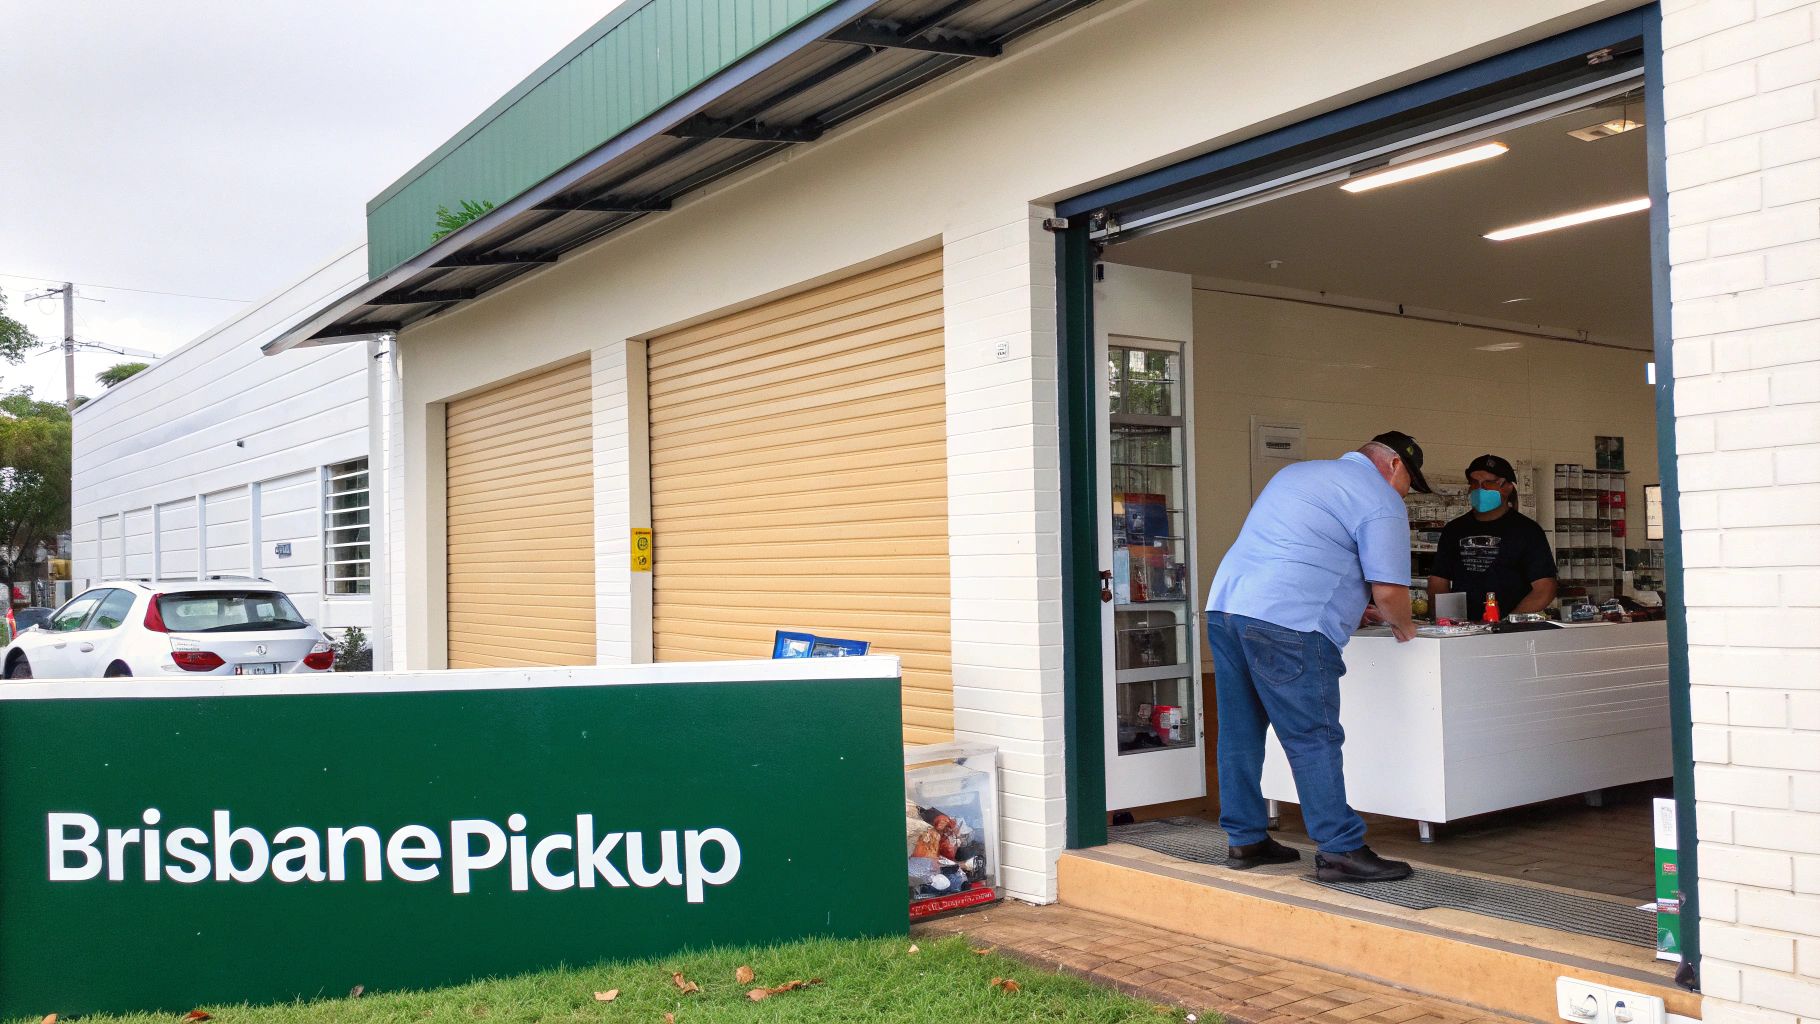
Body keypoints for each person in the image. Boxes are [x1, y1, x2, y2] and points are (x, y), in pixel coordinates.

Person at [1204, 431, 1427, 883]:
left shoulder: (1296, 473)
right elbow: (1389, 591)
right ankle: (1340, 849)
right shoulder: (1381, 499)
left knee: (1240, 734)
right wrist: (1404, 625)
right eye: (1409, 483)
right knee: (1313, 737)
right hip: (1289, 624)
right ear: (1394, 467)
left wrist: (1348, 604)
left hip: (1226, 609)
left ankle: (1246, 838)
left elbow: (1302, 552)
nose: (1405, 494)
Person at [1426, 454, 1558, 622]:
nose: (1480, 489)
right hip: (1462, 633)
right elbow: (1438, 582)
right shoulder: (1454, 530)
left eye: (1488, 483)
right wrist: (1447, 624)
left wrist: (1508, 624)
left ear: (1508, 487)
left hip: (1511, 634)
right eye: (1474, 483)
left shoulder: (1527, 531)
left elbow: (1545, 589)